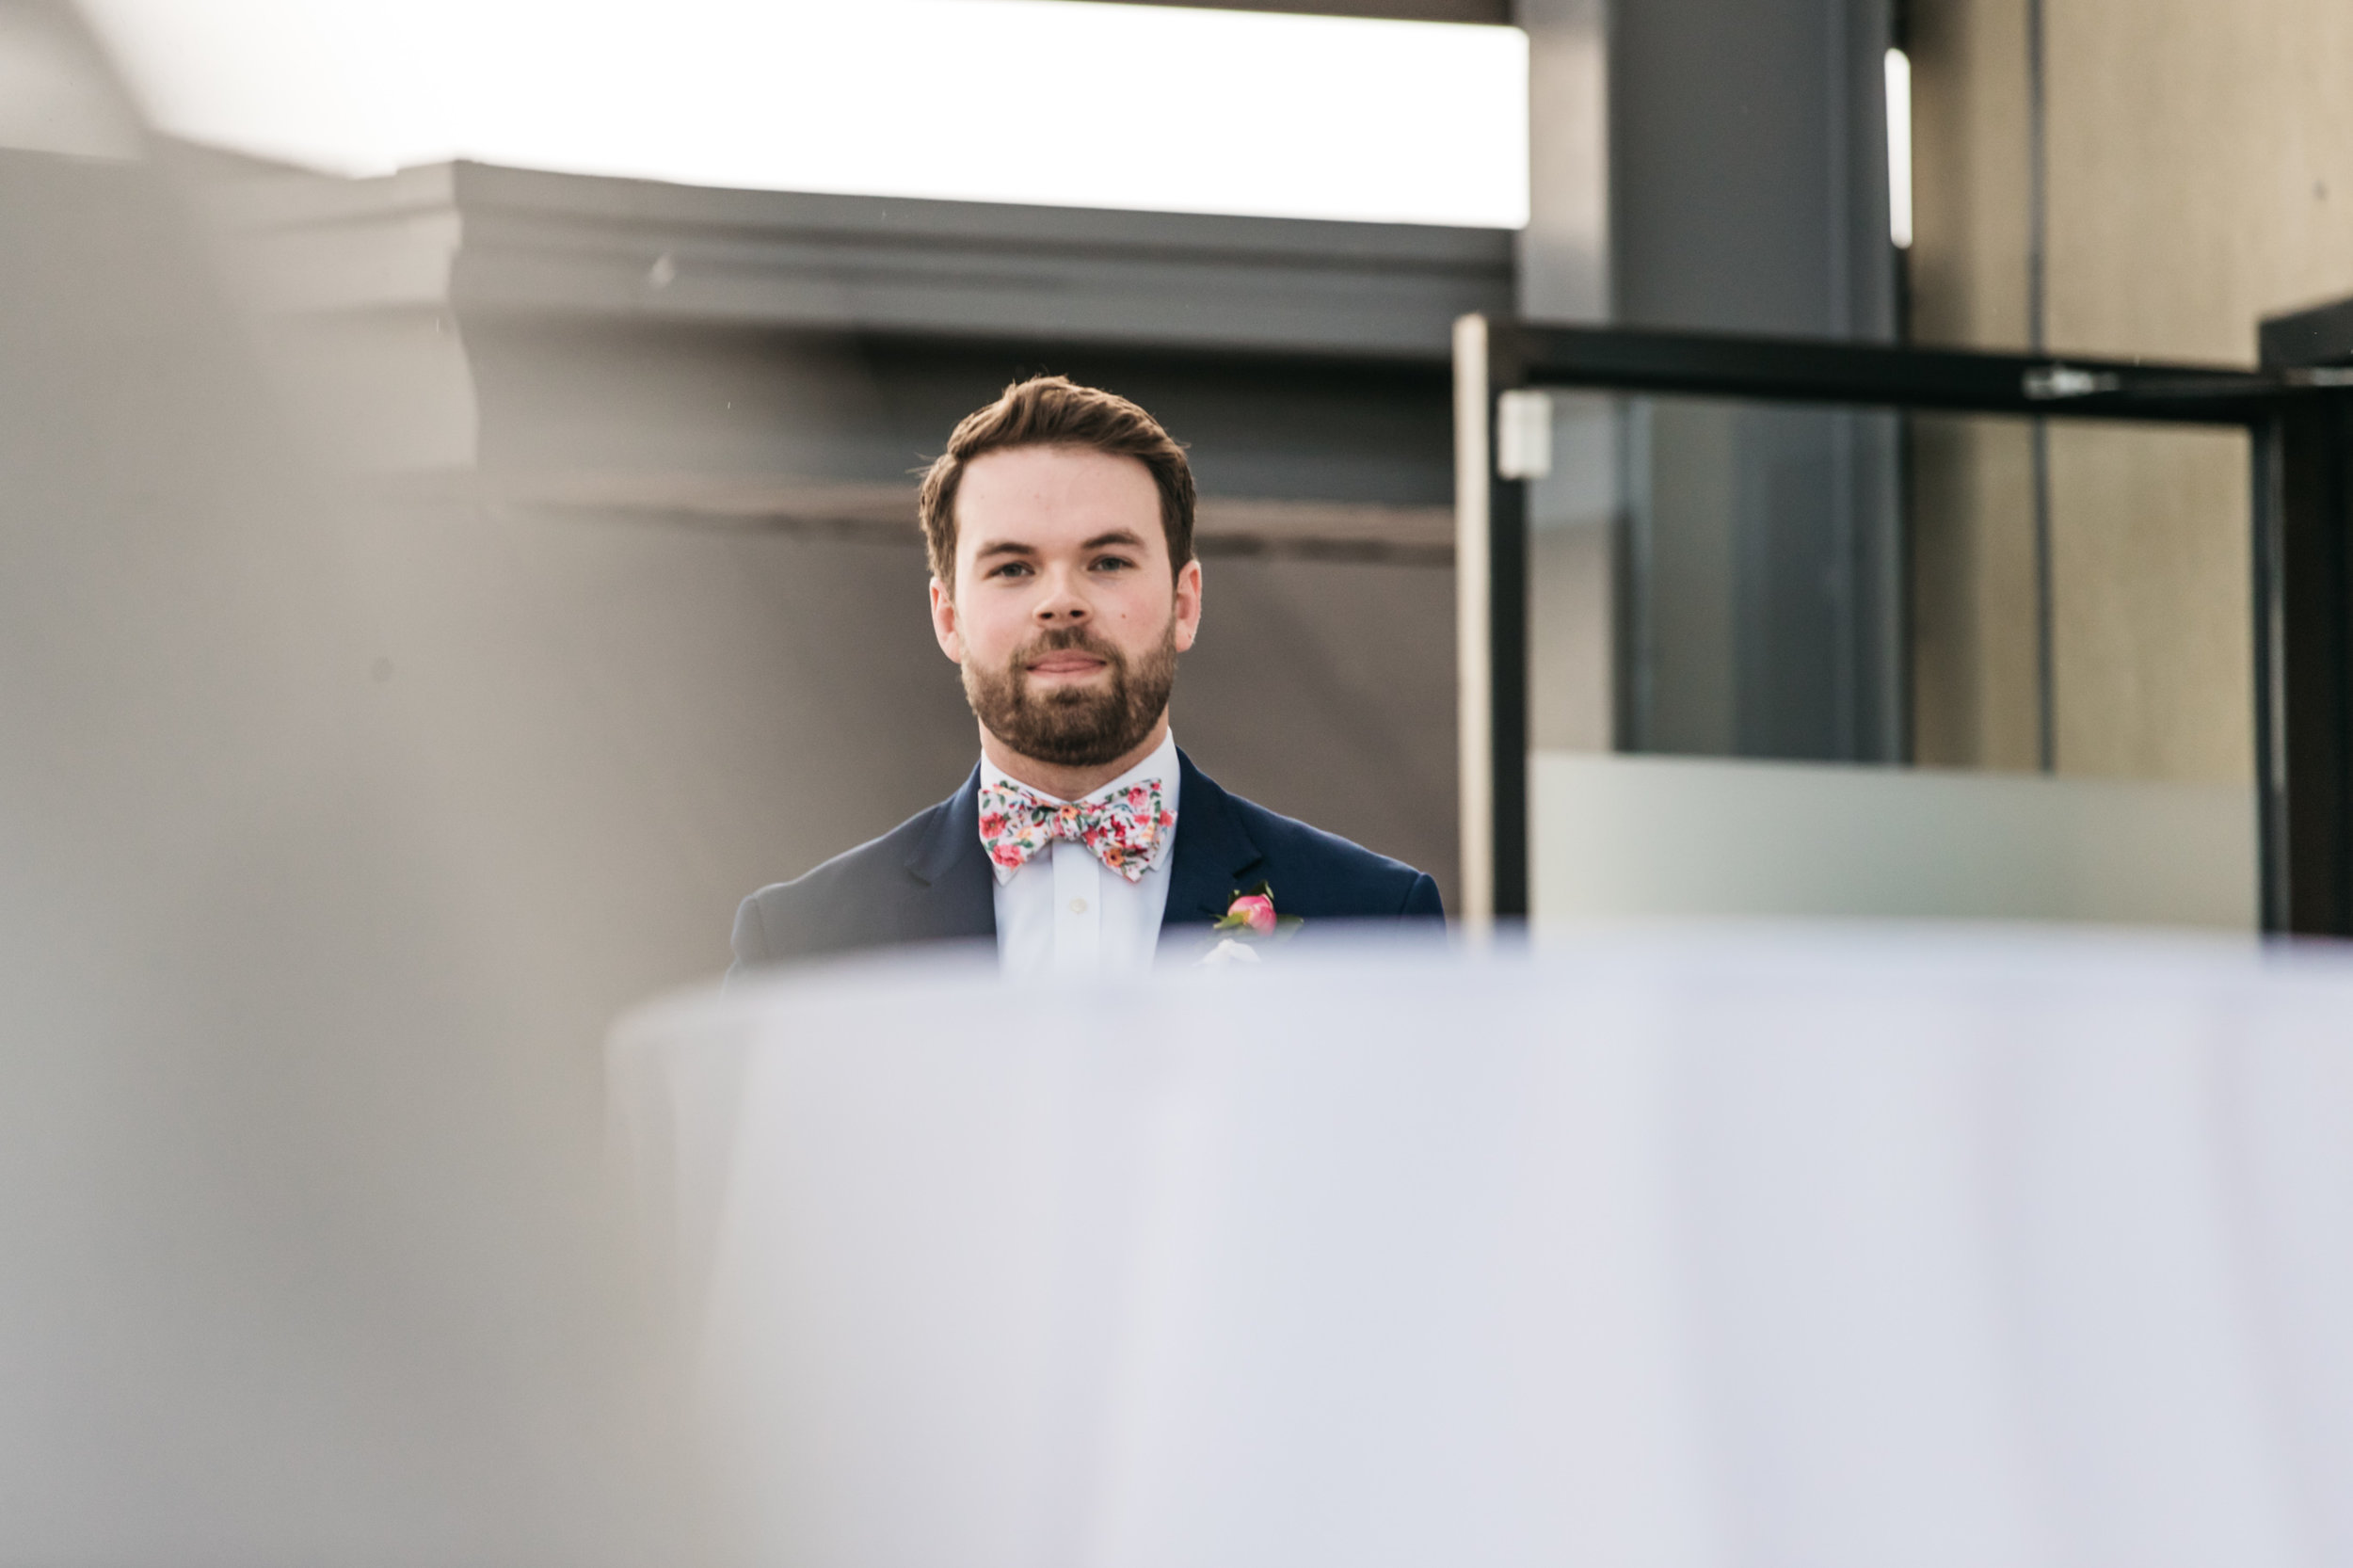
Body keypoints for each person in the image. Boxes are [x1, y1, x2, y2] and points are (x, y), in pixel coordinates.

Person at [729, 376, 1443, 978]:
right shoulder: (799, 946)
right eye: (1013, 568)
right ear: (947, 618)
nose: (1060, 600)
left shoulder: (1375, 921)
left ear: (1185, 603)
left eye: (1107, 562)